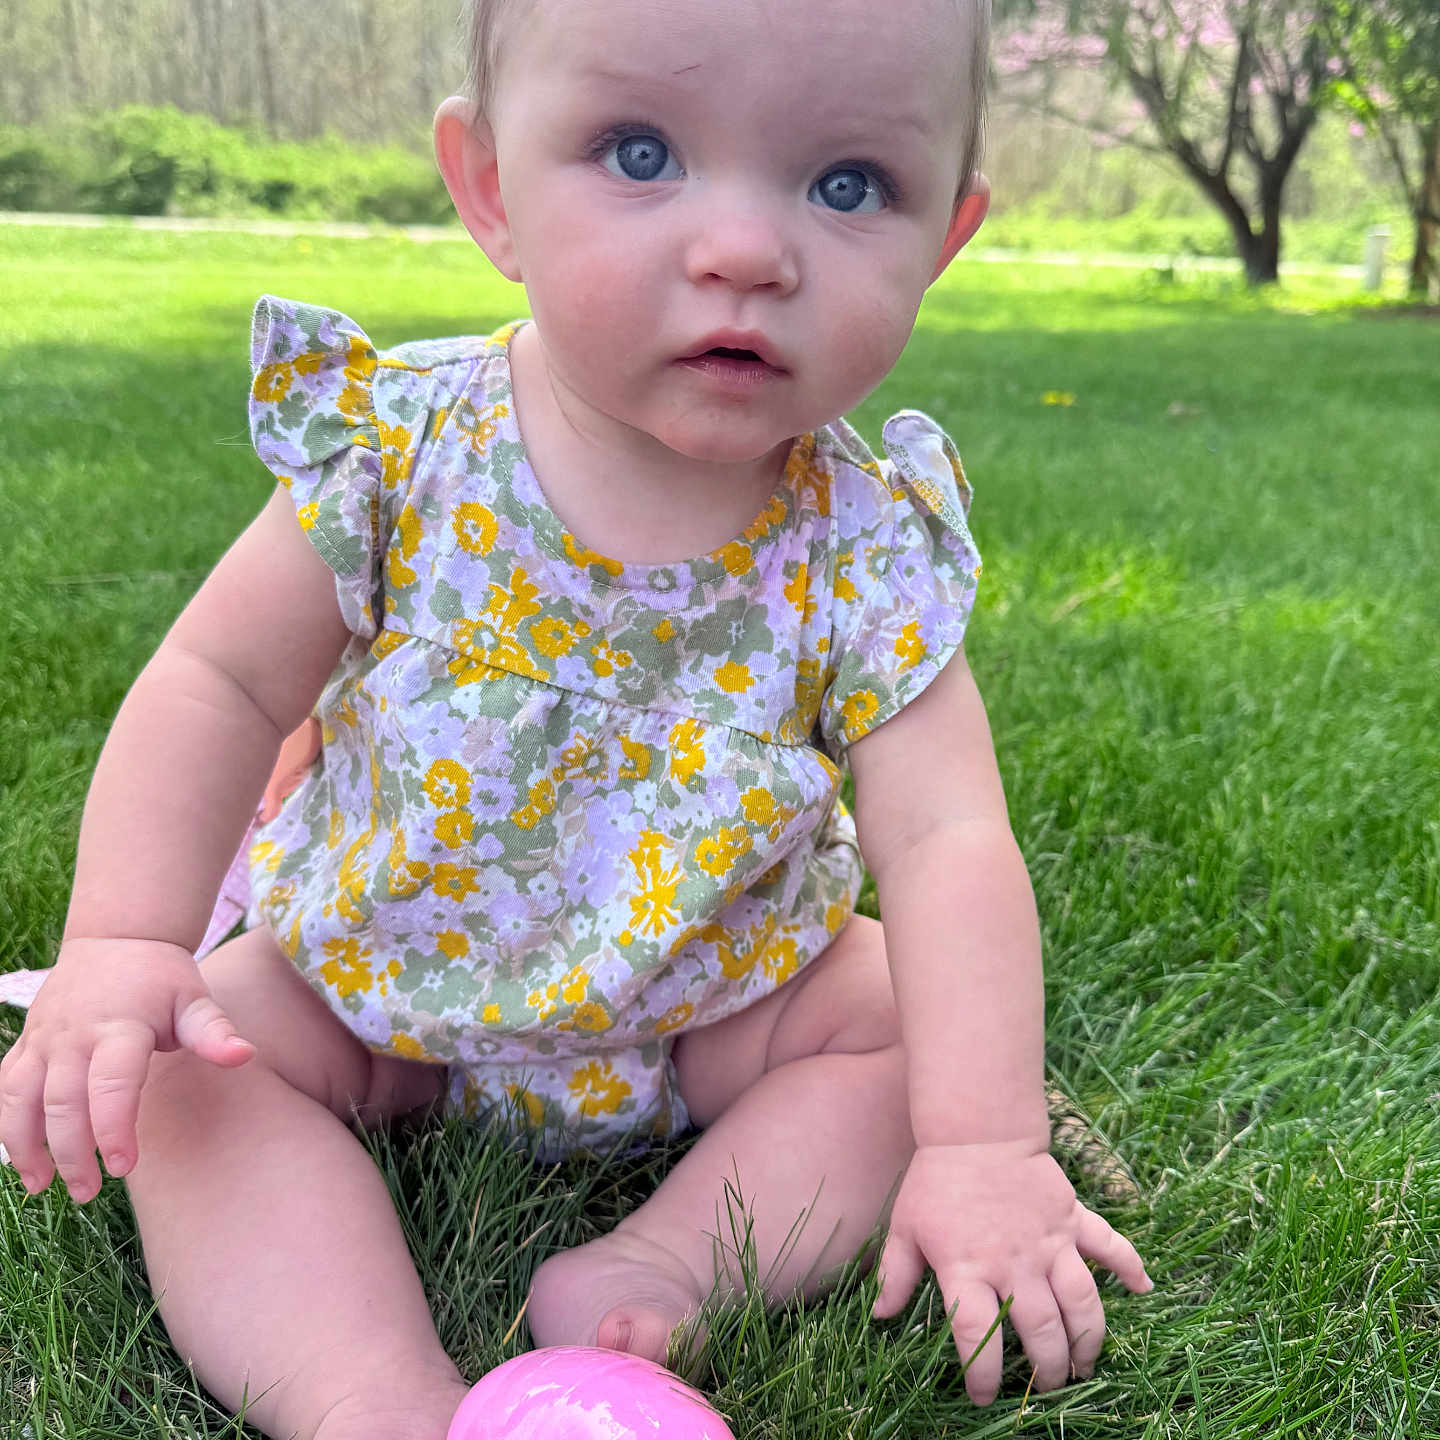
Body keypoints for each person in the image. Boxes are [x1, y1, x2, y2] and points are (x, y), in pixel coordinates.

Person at [0, 1, 1152, 1436]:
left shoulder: (867, 547)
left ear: (945, 238)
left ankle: (657, 1271)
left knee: (932, 1039)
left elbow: (949, 844)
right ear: (490, 186)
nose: (747, 251)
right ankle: (366, 1392)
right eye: (641, 153)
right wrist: (123, 943)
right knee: (189, 1066)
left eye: (851, 183)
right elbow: (218, 683)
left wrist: (983, 1143)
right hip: (371, 984)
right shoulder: (402, 448)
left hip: (718, 1003)